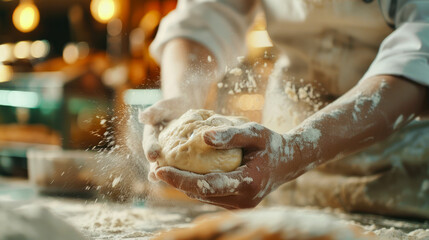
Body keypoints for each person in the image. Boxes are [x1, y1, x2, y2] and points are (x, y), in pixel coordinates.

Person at [139, 0, 429, 210]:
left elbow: (418, 53)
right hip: (277, 161)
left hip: (398, 161)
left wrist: (296, 150)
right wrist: (183, 99)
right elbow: (205, 15)